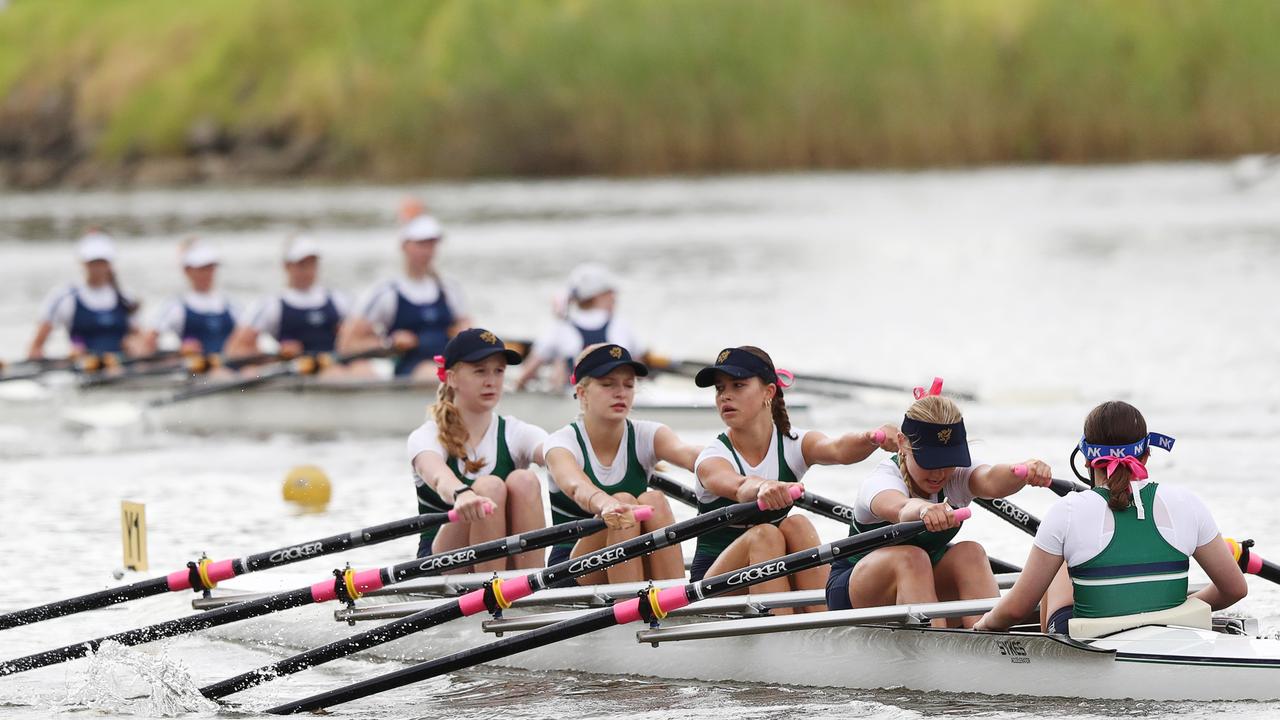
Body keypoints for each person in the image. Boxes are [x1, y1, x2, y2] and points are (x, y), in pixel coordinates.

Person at [975, 401, 1246, 634]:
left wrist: (982, 627)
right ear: (1147, 455)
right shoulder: (1188, 503)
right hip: (1171, 635)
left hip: (1089, 643)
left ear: (1086, 460)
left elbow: (1016, 610)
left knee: (1057, 559)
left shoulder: (1067, 512)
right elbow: (1234, 589)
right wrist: (1183, 611)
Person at [825, 381, 1053, 627]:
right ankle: (935, 654)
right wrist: (924, 509)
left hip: (922, 584)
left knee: (971, 553)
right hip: (854, 592)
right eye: (930, 461)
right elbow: (902, 508)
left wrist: (1022, 471)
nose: (939, 473)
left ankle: (992, 646)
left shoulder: (958, 475)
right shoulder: (881, 480)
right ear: (903, 443)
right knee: (911, 558)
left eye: (948, 460)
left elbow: (991, 481)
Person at [692, 346, 897, 614]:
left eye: (738, 385)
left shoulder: (792, 443)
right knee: (764, 535)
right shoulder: (713, 457)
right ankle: (786, 635)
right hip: (714, 585)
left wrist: (873, 437)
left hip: (768, 576)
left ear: (769, 392)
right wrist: (763, 487)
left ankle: (827, 624)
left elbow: (837, 449)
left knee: (797, 524)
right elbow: (739, 486)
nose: (725, 396)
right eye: (720, 389)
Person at [542, 343, 700, 584]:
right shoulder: (562, 442)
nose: (621, 393)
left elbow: (692, 456)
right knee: (624, 501)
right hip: (571, 569)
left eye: (628, 385)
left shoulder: (649, 434)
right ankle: (631, 602)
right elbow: (576, 486)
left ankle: (672, 597)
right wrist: (606, 504)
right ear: (582, 393)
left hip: (628, 553)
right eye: (608, 384)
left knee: (654, 499)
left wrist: (748, 478)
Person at [407, 328, 548, 570]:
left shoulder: (516, 431)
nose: (491, 381)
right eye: (480, 371)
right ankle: (491, 588)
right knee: (488, 487)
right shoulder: (426, 436)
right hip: (441, 564)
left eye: (499, 371)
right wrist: (462, 494)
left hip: (510, 563)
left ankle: (531, 582)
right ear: (451, 378)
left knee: (525, 479)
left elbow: (557, 454)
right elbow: (439, 477)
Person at [338, 215, 470, 378]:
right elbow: (347, 345)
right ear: (404, 246)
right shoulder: (386, 292)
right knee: (435, 375)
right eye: (421, 244)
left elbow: (466, 326)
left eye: (432, 244)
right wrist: (390, 343)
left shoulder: (450, 288)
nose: (428, 251)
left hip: (450, 366)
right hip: (411, 369)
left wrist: (465, 333)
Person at [516, 263, 644, 389]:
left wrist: (517, 387)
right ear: (598, 295)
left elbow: (527, 372)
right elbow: (639, 370)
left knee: (559, 364)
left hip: (574, 399)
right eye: (610, 293)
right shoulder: (621, 324)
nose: (614, 298)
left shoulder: (560, 327)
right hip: (616, 399)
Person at [225, 235, 349, 365]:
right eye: (302, 264)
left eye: (312, 263)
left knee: (360, 368)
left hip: (334, 366)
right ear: (286, 266)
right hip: (292, 371)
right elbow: (236, 349)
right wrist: (278, 355)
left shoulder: (339, 300)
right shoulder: (271, 305)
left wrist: (346, 338)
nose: (308, 270)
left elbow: (359, 341)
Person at [28, 231, 143, 361]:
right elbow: (36, 348)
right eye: (93, 262)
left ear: (110, 263)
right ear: (82, 263)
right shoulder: (64, 298)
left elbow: (140, 340)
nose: (97, 268)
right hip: (82, 368)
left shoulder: (127, 298)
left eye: (102, 262)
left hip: (122, 367)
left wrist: (137, 345)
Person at [146, 238, 237, 356]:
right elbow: (147, 343)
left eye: (210, 267)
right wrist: (180, 351)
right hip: (194, 369)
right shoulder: (175, 306)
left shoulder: (232, 304)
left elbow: (249, 342)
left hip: (231, 367)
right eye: (202, 269)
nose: (207, 273)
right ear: (187, 270)